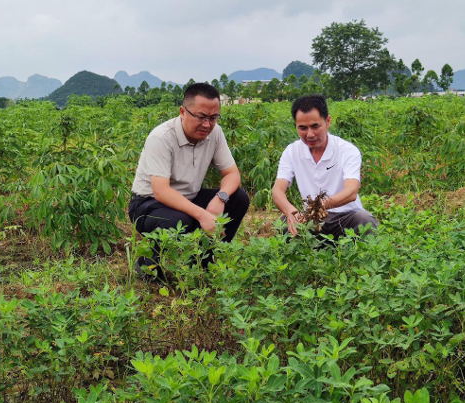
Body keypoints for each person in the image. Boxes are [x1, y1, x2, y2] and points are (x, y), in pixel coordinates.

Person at [129, 83, 250, 277]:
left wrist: (221, 198)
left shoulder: (215, 133)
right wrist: (202, 215)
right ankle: (148, 264)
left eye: (213, 118)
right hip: (147, 203)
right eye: (201, 117)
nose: (207, 125)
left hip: (188, 197)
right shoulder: (161, 137)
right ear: (183, 112)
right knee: (181, 220)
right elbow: (161, 191)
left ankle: (204, 260)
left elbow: (232, 174)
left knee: (239, 198)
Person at [272, 94, 378, 238]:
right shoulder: (292, 151)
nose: (309, 134)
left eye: (315, 126)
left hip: (346, 217)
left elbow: (352, 191)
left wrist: (319, 206)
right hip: (312, 220)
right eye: (302, 128)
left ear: (328, 122)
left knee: (365, 221)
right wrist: (292, 212)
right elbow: (278, 191)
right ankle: (308, 256)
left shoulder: (347, 150)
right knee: (285, 223)